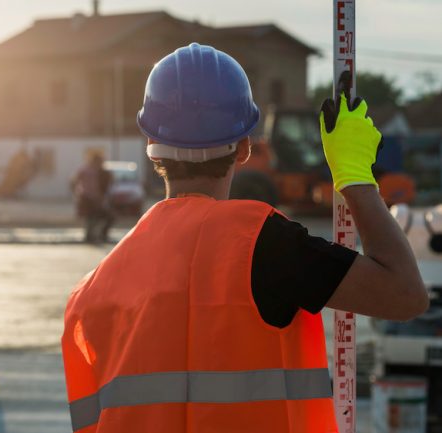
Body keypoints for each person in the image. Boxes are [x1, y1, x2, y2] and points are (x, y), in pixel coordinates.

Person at [61, 43, 428, 432]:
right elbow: (404, 295)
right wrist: (356, 177)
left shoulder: (91, 293)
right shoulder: (264, 245)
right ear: (244, 148)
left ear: (152, 151)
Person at [71, 153, 114, 243]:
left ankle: (94, 235)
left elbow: (74, 181)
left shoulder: (92, 170)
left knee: (96, 217)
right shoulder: (89, 171)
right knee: (93, 217)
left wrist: (77, 192)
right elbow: (75, 182)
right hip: (89, 198)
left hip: (91, 197)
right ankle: (92, 236)